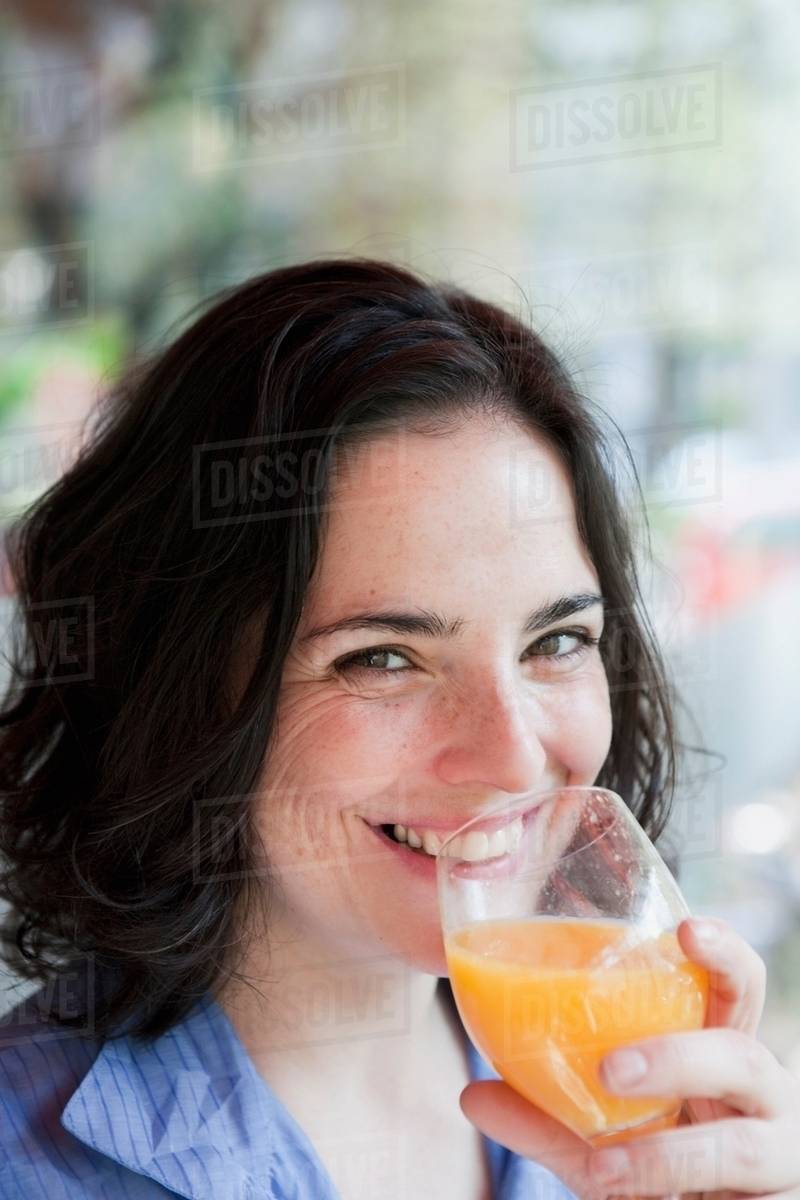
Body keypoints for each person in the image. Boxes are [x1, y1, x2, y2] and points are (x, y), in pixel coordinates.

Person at [0, 259, 797, 1200]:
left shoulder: (636, 1099)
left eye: (556, 641)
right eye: (383, 658)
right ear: (179, 685)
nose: (514, 756)